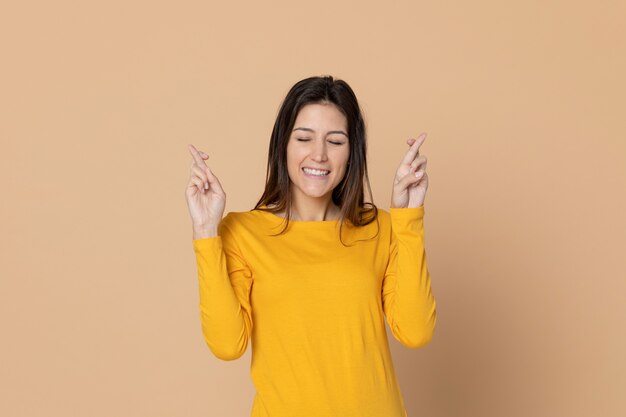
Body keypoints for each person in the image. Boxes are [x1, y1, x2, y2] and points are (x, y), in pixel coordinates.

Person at [184, 75, 437, 417]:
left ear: (352, 152)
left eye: (335, 141)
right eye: (304, 138)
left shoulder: (382, 228)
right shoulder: (242, 232)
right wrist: (205, 231)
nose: (319, 155)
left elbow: (416, 331)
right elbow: (228, 345)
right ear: (283, 145)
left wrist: (409, 219)